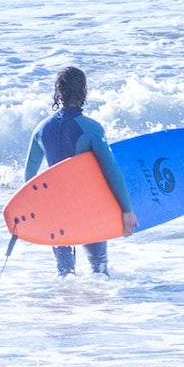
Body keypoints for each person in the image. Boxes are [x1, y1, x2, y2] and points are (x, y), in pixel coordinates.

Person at [24, 66, 138, 276]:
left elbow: (29, 178)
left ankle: (64, 306)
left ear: (58, 92)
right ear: (83, 91)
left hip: (55, 210)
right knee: (99, 268)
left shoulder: (40, 129)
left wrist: (35, 212)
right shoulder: (91, 128)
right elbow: (111, 170)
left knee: (64, 272)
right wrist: (127, 210)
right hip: (87, 207)